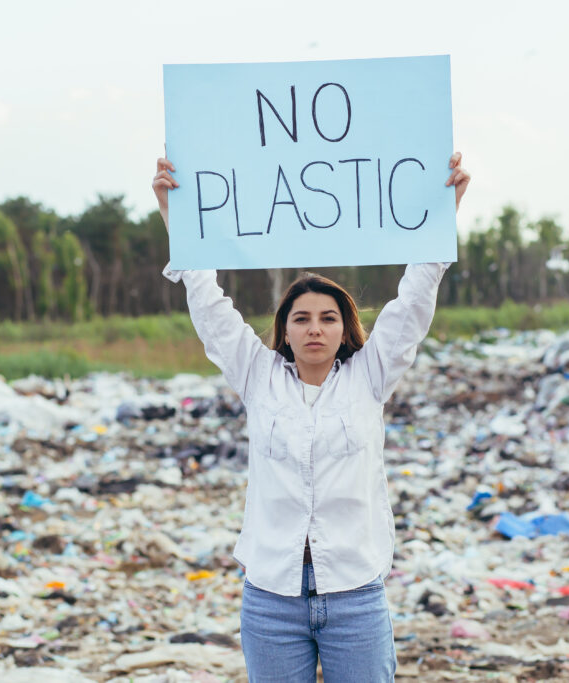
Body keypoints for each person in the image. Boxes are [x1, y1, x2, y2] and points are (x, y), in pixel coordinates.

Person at [153, 153, 470, 682]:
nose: (315, 328)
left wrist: (442, 214)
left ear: (346, 329)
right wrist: (177, 219)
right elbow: (209, 305)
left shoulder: (371, 377)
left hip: (355, 597)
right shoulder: (258, 376)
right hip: (272, 598)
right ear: (285, 328)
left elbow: (413, 303)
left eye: (328, 318)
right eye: (301, 318)